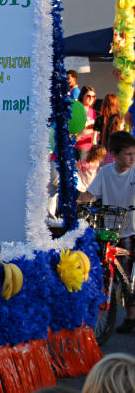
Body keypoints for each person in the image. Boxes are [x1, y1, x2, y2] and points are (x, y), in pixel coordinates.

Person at [80, 131, 135, 333]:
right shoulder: (105, 172)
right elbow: (90, 194)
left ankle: (130, 316)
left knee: (127, 274)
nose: (132, 158)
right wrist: (79, 205)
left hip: (131, 229)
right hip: (111, 229)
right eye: (128, 154)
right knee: (105, 268)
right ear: (114, 153)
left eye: (133, 154)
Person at [75, 86, 97, 160]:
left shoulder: (92, 111)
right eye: (88, 96)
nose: (91, 98)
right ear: (82, 96)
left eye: (93, 96)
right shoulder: (78, 110)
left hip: (90, 146)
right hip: (80, 147)